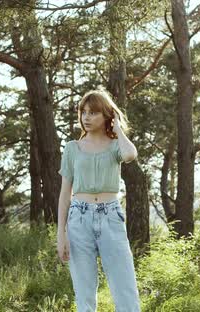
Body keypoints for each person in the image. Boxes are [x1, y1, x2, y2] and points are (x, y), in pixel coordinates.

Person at [56, 89, 141, 312]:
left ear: (106, 115)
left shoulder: (115, 147)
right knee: (84, 294)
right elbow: (65, 193)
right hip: (78, 218)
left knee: (125, 290)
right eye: (83, 112)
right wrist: (61, 232)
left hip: (110, 217)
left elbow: (131, 155)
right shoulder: (72, 149)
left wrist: (118, 130)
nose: (86, 117)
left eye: (93, 112)